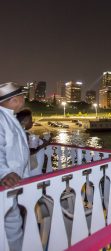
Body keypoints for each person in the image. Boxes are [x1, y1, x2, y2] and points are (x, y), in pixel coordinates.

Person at [0, 82, 30, 251]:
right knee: (12, 225)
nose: (24, 99)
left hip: (15, 182)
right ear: (14, 100)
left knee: (13, 223)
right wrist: (4, 172)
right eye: (22, 96)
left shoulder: (9, 117)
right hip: (7, 182)